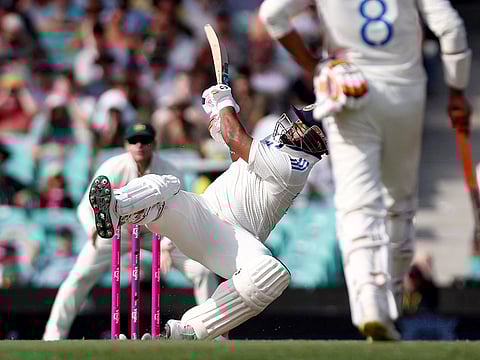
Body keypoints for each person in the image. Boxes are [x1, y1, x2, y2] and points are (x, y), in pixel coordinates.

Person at [259, 0, 471, 340]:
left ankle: (369, 305)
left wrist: (314, 66)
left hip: (349, 87)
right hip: (404, 90)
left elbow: (272, 15)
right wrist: (457, 92)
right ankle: (391, 302)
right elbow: (452, 29)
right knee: (399, 203)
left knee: (357, 204)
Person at [89, 84, 328, 340]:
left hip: (231, 242)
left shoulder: (294, 166)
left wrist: (224, 102)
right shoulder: (280, 147)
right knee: (168, 183)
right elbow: (237, 149)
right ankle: (116, 208)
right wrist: (220, 114)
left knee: (272, 273)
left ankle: (189, 330)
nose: (293, 127)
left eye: (302, 125)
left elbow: (236, 139)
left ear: (316, 138)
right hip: (201, 214)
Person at [43, 123, 218, 340]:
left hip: (162, 232)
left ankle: (213, 335)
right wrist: (92, 227)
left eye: (144, 140)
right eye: (134, 140)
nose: (139, 145)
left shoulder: (170, 171)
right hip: (118, 231)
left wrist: (166, 246)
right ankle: (52, 337)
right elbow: (84, 207)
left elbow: (183, 213)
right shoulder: (113, 167)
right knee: (78, 277)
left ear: (154, 143)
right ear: (126, 144)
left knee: (201, 271)